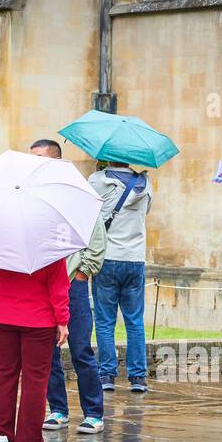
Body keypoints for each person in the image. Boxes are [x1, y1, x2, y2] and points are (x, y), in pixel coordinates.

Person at [30, 139, 107, 434]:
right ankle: (58, 409)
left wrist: (82, 274)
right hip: (42, 284)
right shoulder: (34, 196)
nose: (34, 162)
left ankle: (93, 412)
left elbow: (97, 240)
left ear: (57, 161)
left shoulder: (79, 196)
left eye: (39, 157)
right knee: (46, 351)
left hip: (71, 283)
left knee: (80, 350)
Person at [0, 257, 70, 442]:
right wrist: (62, 320)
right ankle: (30, 441)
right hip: (39, 318)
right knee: (35, 380)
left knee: (4, 376)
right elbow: (58, 284)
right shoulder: (51, 242)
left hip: (2, 314)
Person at [89, 160, 152, 393]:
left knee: (105, 321)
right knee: (135, 321)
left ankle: (107, 374)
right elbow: (144, 212)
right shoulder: (145, 182)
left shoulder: (97, 180)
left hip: (108, 257)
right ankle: (138, 378)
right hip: (135, 259)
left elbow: (89, 212)